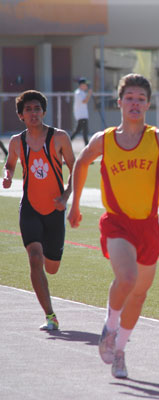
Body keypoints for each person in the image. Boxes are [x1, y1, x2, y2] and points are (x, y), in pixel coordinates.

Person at [68, 73, 159, 379]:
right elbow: (81, 162)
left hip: (149, 226)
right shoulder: (104, 139)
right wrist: (75, 204)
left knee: (140, 294)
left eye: (141, 99)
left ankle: (119, 351)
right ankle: (111, 324)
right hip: (117, 223)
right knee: (127, 277)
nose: (135, 103)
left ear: (148, 104)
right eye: (129, 98)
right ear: (119, 102)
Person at [2, 90, 75, 330]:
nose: (33, 113)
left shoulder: (59, 137)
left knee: (51, 267)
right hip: (30, 208)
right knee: (35, 259)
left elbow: (77, 171)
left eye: (37, 109)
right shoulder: (16, 141)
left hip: (55, 210)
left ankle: (48, 252)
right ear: (21, 115)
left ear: (44, 112)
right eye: (28, 110)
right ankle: (50, 317)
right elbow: (10, 163)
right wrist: (8, 176)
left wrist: (66, 196)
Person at [70, 77, 93, 145]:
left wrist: (88, 94)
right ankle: (87, 145)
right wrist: (89, 93)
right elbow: (84, 101)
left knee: (78, 130)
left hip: (83, 115)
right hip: (81, 115)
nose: (86, 86)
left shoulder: (82, 92)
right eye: (85, 84)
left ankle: (69, 140)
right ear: (81, 85)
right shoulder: (78, 93)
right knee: (84, 130)